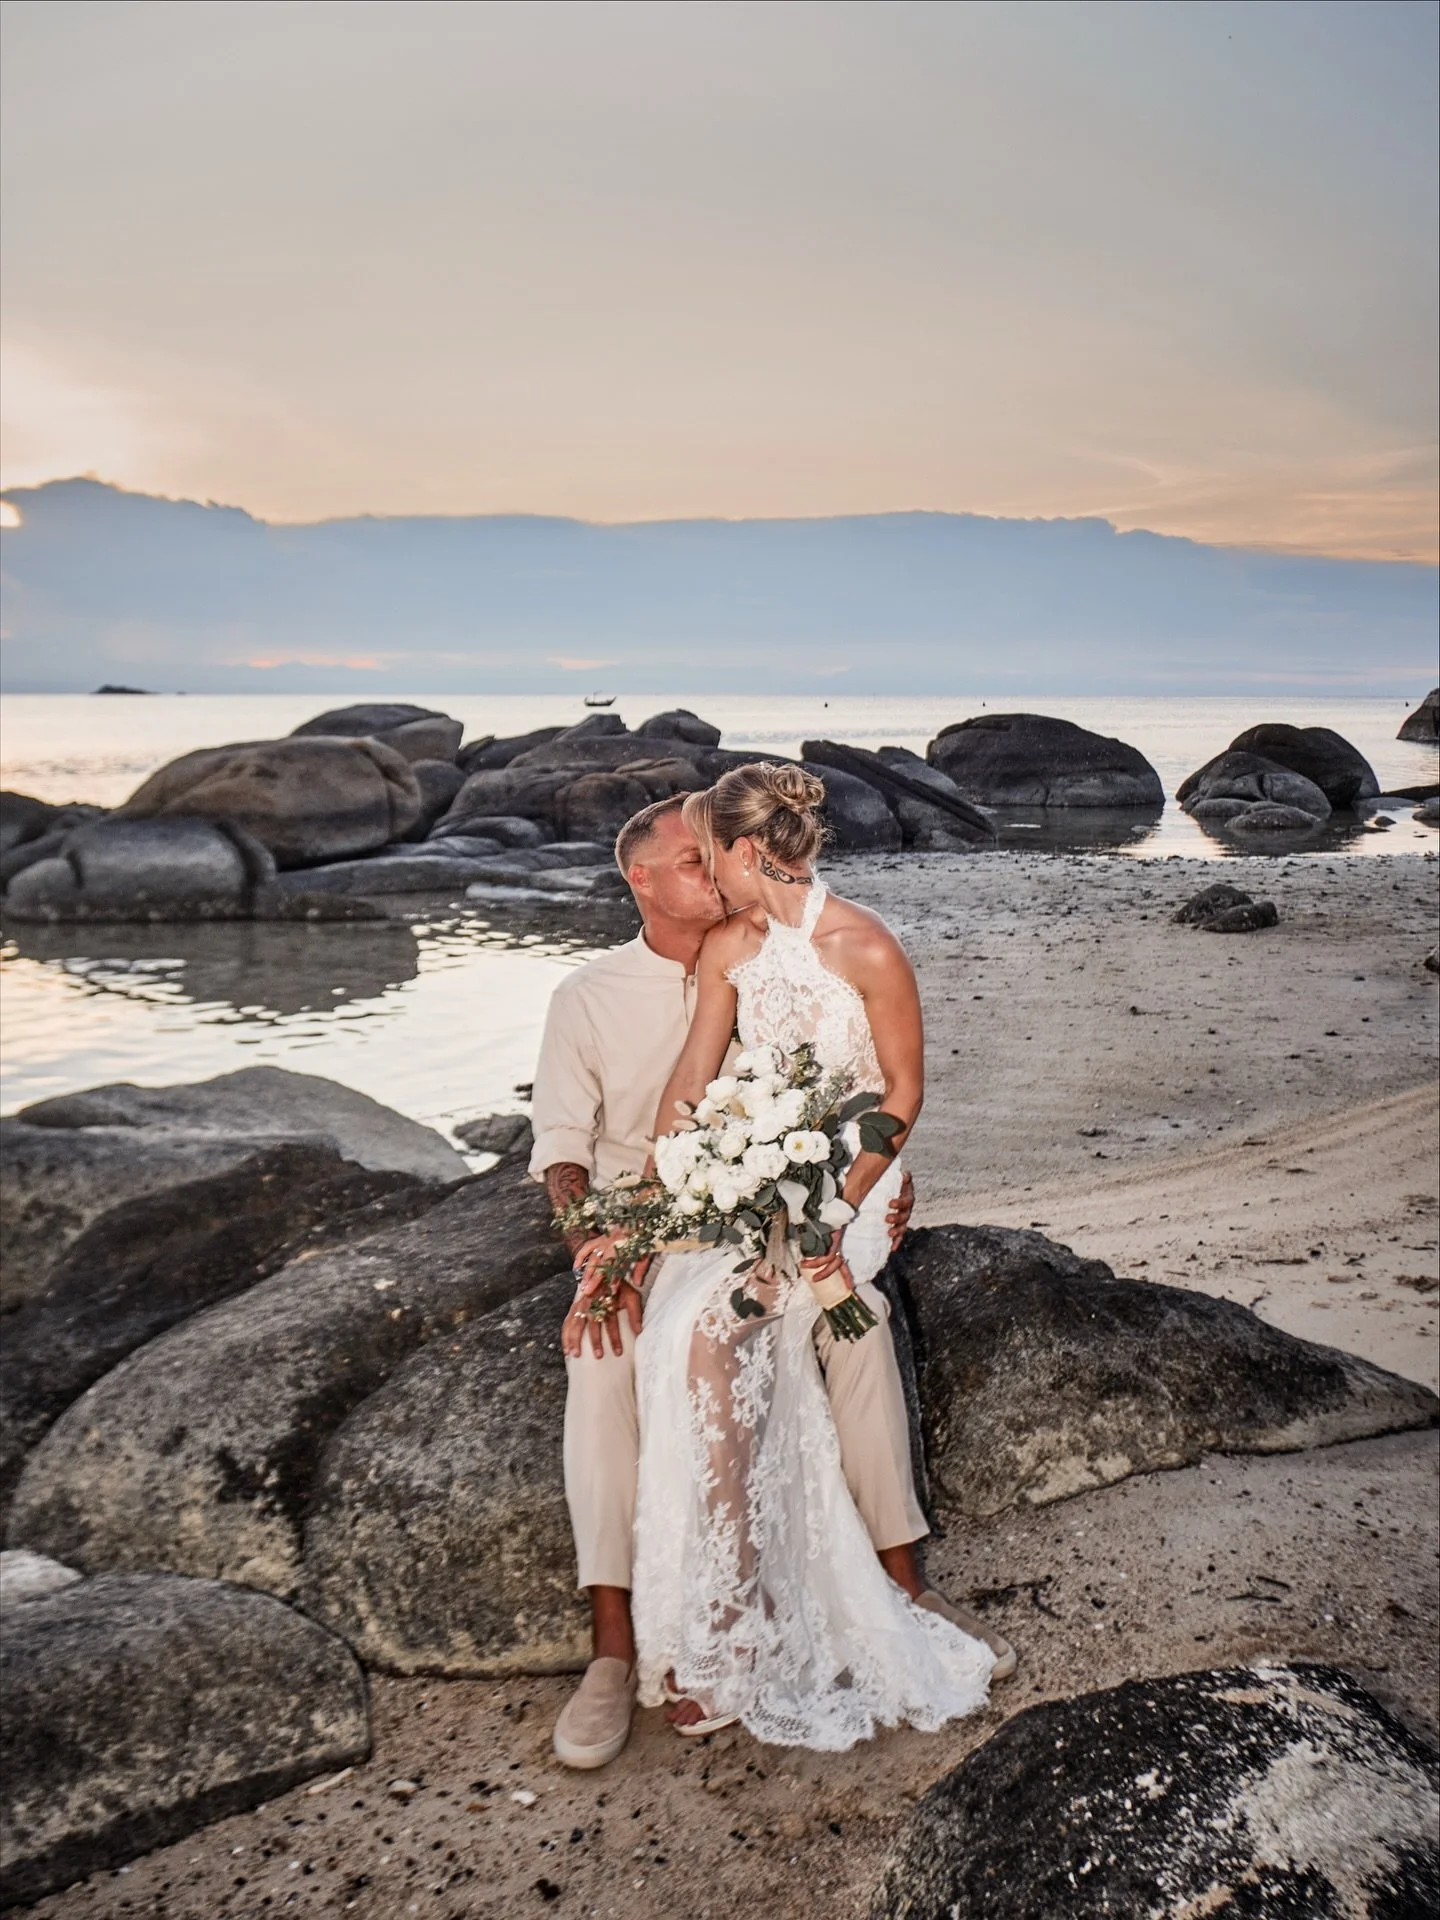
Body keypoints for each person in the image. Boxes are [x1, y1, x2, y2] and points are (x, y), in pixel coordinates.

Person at [530, 792, 1011, 1769]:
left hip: (773, 1205)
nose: (710, 880)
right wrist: (600, 1250)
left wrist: (857, 1194)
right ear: (644, 880)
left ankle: (900, 1583)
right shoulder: (590, 994)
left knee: (856, 1331)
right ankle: (617, 1647)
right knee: (608, 1359)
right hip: (665, 1213)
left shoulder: (771, 944)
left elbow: (863, 1095)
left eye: (715, 860)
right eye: (691, 865)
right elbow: (562, 1152)